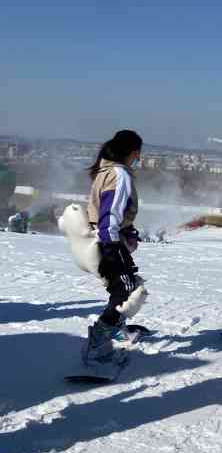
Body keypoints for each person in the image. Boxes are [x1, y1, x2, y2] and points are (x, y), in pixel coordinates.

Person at [85, 130, 145, 362]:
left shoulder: (106, 169)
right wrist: (112, 247)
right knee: (125, 289)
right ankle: (98, 340)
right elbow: (109, 213)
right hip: (107, 240)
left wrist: (125, 231)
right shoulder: (119, 174)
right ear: (133, 151)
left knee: (128, 285)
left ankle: (115, 327)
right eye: (138, 153)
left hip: (108, 237)